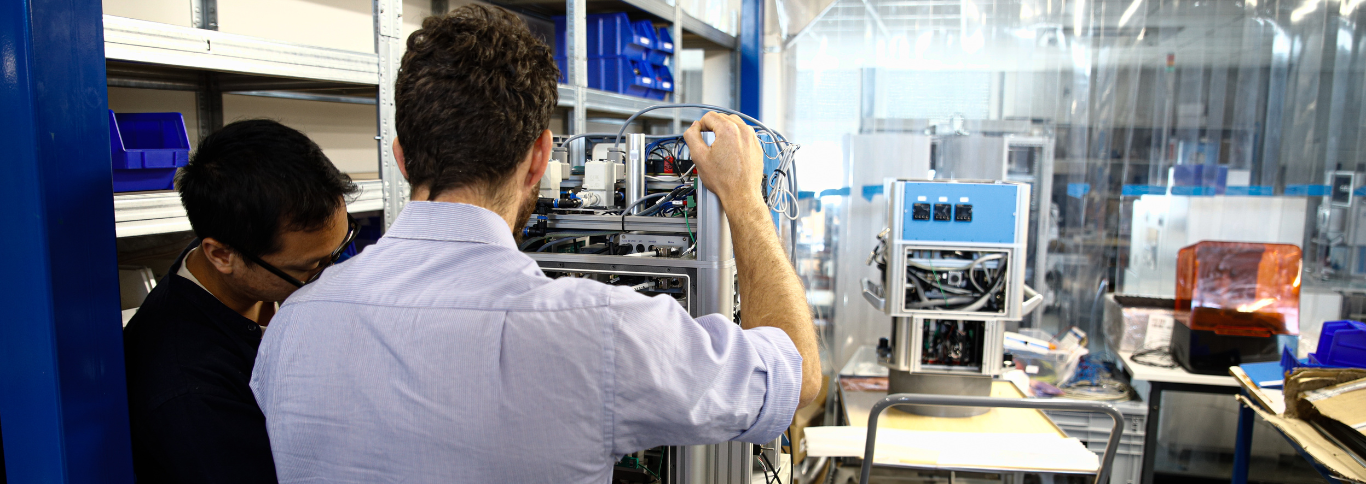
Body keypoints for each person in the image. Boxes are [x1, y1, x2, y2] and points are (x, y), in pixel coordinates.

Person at [250, 5, 821, 483]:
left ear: (401, 157)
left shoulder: (292, 324)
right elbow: (796, 378)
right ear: (541, 157)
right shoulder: (601, 331)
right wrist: (745, 202)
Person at [123, 119, 359, 483]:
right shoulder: (189, 391)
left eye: (339, 250)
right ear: (221, 255)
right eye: (311, 267)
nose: (330, 276)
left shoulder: (261, 265)